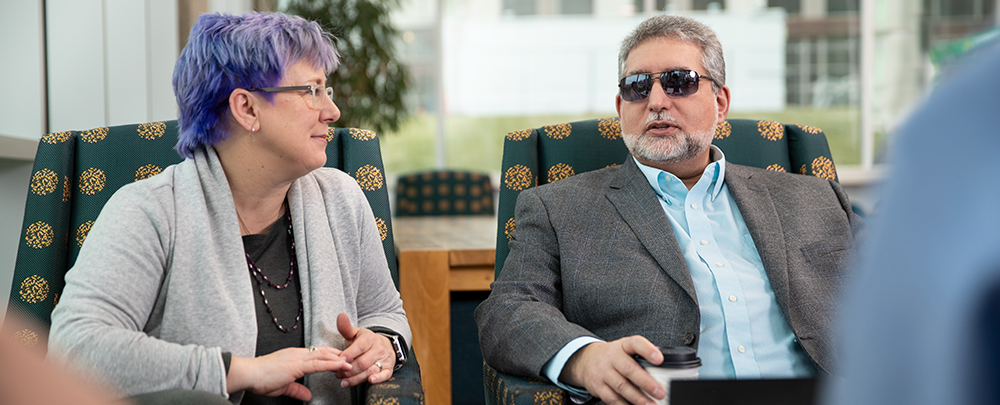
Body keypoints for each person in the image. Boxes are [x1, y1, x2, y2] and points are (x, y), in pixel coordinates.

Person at [475, 15, 864, 405]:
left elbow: (910, 279)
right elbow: (507, 311)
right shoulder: (558, 208)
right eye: (637, 87)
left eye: (680, 82)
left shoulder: (816, 197)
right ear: (620, 106)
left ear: (721, 102)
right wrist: (584, 358)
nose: (657, 102)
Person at [47, 12, 410, 404]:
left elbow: (386, 312)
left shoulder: (342, 198)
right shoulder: (148, 212)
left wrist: (384, 344)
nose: (332, 112)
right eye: (311, 91)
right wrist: (240, 371)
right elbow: (75, 350)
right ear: (247, 109)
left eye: (327, 91)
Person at [821, 42, 1000, 405]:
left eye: (680, 81)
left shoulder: (965, 118)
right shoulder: (966, 117)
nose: (667, 101)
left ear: (721, 101)